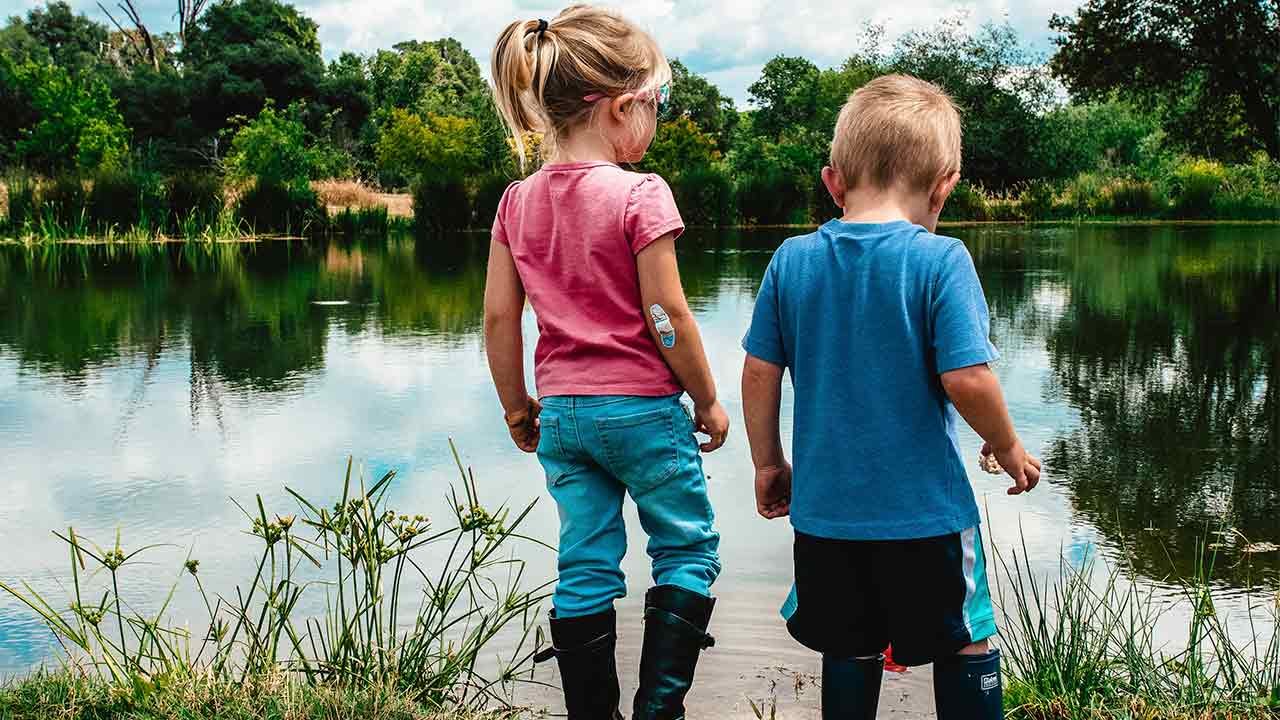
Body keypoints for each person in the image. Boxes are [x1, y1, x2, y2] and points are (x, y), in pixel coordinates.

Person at [740, 74, 1043, 720]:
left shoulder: (790, 261)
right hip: (924, 519)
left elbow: (759, 371)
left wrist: (768, 463)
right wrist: (1006, 444)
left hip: (825, 520)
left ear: (833, 182)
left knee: (849, 646)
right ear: (944, 186)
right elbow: (967, 378)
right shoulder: (941, 260)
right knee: (965, 639)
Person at [484, 6, 728, 719]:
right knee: (686, 551)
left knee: (585, 563)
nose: (655, 120)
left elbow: (502, 316)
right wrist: (708, 400)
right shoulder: (640, 194)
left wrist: (516, 405)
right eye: (656, 104)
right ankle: (658, 711)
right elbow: (667, 314)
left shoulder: (515, 202)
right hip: (644, 413)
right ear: (622, 107)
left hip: (562, 416)